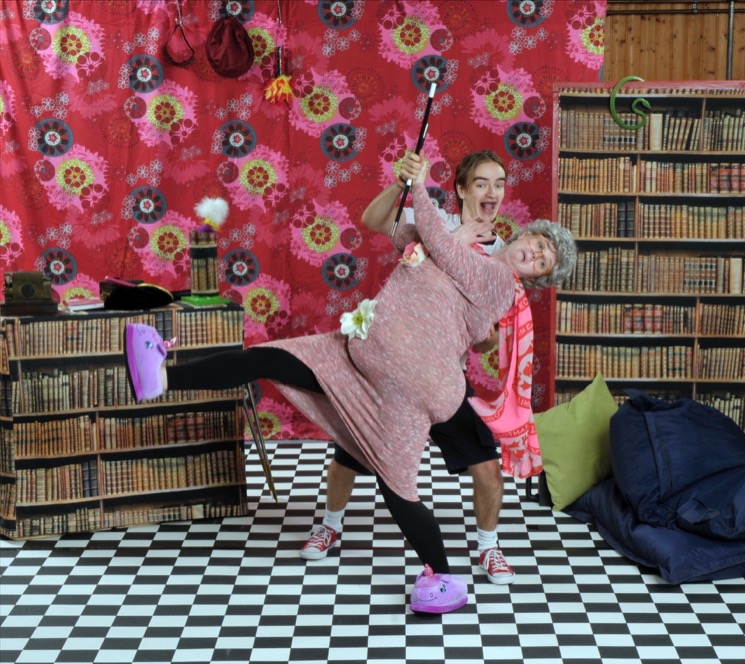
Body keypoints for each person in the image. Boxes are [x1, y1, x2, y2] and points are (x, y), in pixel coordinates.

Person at [123, 154, 577, 614]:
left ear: (537, 278)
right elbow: (399, 230)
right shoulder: (449, 231)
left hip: (413, 391)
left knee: (398, 487)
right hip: (357, 361)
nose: (535, 255)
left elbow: (447, 253)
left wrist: (423, 191)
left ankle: (444, 577)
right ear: (524, 232)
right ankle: (160, 376)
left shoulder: (501, 281)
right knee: (266, 358)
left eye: (543, 263)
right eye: (539, 245)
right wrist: (404, 187)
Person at [300, 150, 521, 586]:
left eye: (499, 184)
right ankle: (330, 525)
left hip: (442, 380)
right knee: (350, 448)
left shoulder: (500, 254)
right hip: (395, 369)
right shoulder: (433, 221)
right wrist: (402, 182)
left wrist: (485, 333)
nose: (492, 192)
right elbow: (373, 219)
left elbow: (488, 338)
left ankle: (489, 547)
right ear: (462, 189)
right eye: (482, 183)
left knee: (487, 469)